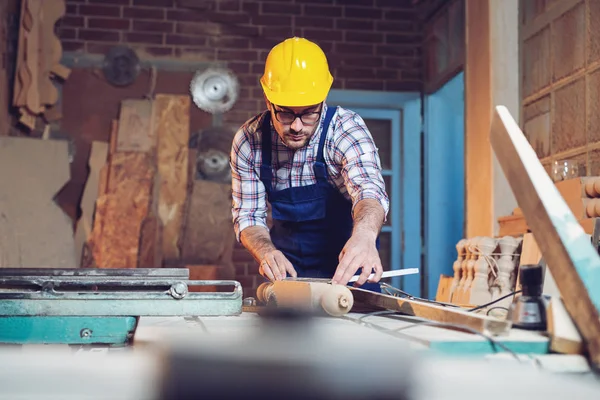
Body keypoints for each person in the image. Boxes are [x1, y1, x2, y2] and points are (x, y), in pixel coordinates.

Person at [230, 37, 389, 290]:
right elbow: (248, 216)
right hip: (289, 270)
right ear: (267, 99)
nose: (296, 126)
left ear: (323, 100)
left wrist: (365, 236)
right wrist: (266, 252)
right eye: (284, 112)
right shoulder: (249, 140)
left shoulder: (345, 129)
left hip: (349, 264)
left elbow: (368, 190)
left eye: (308, 113)